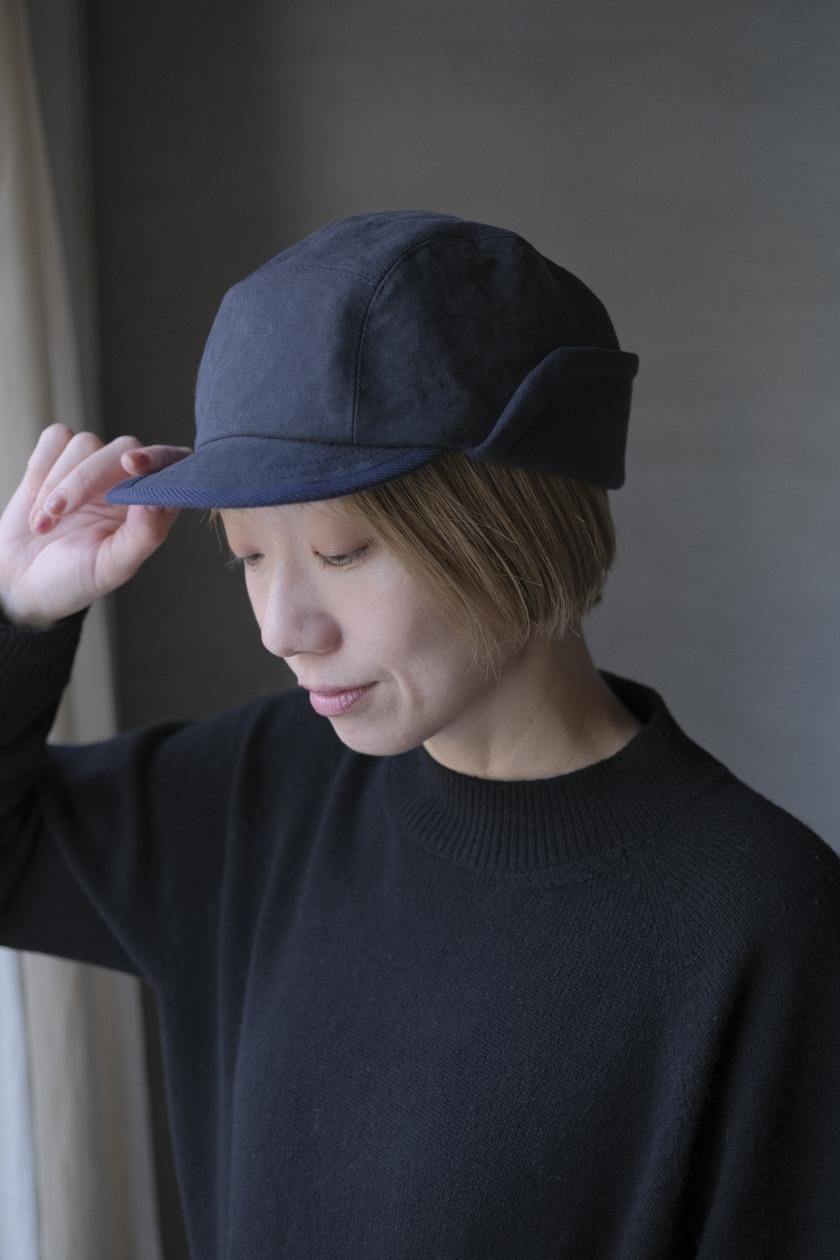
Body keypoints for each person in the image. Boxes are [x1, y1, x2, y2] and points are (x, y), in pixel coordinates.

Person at [1, 209, 838, 1259]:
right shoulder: (260, 792)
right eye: (248, 557)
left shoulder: (759, 920)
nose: (282, 628)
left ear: (517, 526)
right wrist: (19, 616)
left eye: (343, 553)